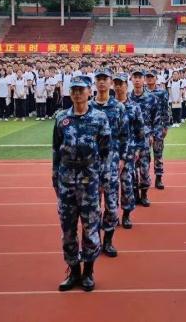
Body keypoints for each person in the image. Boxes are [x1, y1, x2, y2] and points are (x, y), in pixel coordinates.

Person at [52, 76, 111, 292]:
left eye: (81, 89)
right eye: (74, 90)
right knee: (68, 229)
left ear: (89, 92)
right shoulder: (61, 118)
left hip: (90, 182)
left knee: (90, 228)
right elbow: (55, 151)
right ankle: (73, 271)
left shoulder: (99, 118)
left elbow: (106, 152)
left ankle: (88, 272)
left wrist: (104, 180)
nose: (77, 94)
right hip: (67, 181)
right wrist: (55, 178)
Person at [91, 69, 129, 257]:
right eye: (98, 79)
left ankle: (108, 241)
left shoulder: (118, 107)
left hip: (112, 164)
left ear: (111, 83)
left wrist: (122, 158)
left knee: (112, 206)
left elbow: (124, 135)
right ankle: (94, 242)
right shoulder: (88, 106)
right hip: (91, 166)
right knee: (92, 206)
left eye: (105, 79)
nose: (102, 82)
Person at [112, 73, 146, 229]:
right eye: (116, 84)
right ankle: (112, 215)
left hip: (129, 152)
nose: (119, 87)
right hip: (110, 153)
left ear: (127, 85)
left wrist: (138, 149)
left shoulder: (134, 106)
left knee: (127, 184)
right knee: (111, 186)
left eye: (121, 84)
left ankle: (126, 215)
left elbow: (140, 131)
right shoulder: (108, 106)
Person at [130, 69, 161, 207]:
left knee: (144, 167)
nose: (137, 80)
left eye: (139, 77)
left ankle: (144, 195)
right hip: (130, 139)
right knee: (131, 169)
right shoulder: (126, 98)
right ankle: (134, 194)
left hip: (145, 137)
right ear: (131, 79)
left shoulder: (151, 98)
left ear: (143, 80)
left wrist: (154, 135)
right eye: (134, 77)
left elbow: (157, 119)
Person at [145, 70, 170, 190]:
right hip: (145, 128)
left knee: (158, 153)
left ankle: (159, 178)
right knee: (144, 155)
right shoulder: (141, 93)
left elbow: (166, 109)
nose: (149, 79)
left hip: (158, 126)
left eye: (151, 77)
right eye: (148, 77)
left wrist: (166, 126)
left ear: (156, 78)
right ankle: (145, 178)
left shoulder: (161, 92)